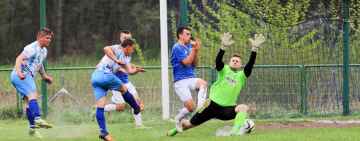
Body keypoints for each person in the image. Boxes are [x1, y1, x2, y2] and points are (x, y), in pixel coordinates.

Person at [167, 32, 265, 136]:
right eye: (233, 60)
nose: (235, 62)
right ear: (229, 62)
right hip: (211, 105)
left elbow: (250, 65)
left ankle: (234, 132)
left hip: (227, 109)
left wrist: (254, 49)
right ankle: (175, 131)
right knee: (189, 124)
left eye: (237, 61)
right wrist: (223, 47)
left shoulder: (242, 76)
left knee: (243, 108)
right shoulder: (224, 70)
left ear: (241, 65)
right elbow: (218, 61)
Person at [91, 38, 141, 141]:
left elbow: (129, 71)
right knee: (124, 88)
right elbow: (106, 48)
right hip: (105, 74)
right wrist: (115, 59)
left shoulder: (126, 58)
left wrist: (136, 71)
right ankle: (136, 108)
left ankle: (104, 132)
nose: (132, 51)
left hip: (95, 77)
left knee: (100, 106)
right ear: (127, 47)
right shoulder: (118, 48)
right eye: (132, 49)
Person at [10, 28, 54, 138]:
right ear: (40, 37)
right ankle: (38, 118)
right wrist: (19, 72)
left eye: (50, 38)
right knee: (33, 95)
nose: (49, 40)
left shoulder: (44, 51)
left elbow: (39, 64)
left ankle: (32, 129)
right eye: (47, 38)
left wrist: (44, 75)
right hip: (21, 75)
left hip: (24, 76)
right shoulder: (32, 48)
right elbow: (19, 58)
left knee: (29, 103)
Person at [103, 30, 146, 128]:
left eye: (129, 38)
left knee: (137, 102)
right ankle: (100, 108)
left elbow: (128, 68)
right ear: (121, 38)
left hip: (126, 82)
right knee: (121, 107)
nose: (127, 40)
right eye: (125, 38)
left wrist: (136, 69)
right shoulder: (116, 50)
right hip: (117, 83)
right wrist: (127, 68)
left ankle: (139, 126)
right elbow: (120, 67)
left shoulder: (128, 51)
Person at [170, 27, 208, 132]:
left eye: (190, 34)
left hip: (190, 78)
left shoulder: (188, 48)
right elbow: (186, 62)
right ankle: (178, 118)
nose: (189, 36)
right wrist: (194, 50)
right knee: (191, 107)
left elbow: (194, 64)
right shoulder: (176, 47)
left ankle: (201, 107)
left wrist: (196, 51)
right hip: (180, 82)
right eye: (187, 34)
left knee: (203, 83)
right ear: (180, 35)